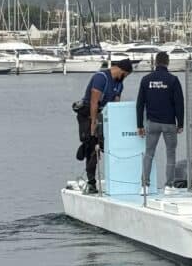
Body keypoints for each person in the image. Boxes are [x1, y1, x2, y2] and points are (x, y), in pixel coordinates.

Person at [76, 59, 133, 193]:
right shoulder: (101, 78)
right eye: (125, 74)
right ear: (120, 70)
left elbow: (116, 105)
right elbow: (94, 102)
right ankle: (91, 182)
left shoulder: (119, 84)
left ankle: (117, 179)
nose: (125, 78)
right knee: (92, 148)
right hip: (89, 114)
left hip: (104, 115)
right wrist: (93, 124)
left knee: (105, 146)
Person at [136, 51, 184, 193]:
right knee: (170, 154)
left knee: (149, 153)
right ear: (167, 62)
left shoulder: (146, 80)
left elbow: (140, 104)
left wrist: (139, 125)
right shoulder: (173, 80)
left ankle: (144, 186)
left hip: (152, 123)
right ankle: (169, 186)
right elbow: (179, 104)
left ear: (155, 62)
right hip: (169, 123)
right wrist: (180, 123)